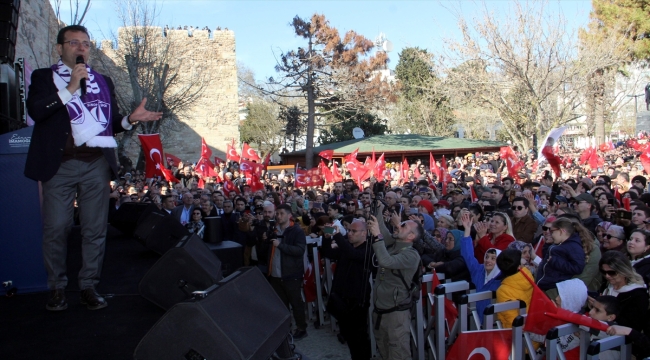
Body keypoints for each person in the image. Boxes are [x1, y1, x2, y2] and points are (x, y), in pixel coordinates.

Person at [25, 25, 162, 311]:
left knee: (95, 229)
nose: (81, 48)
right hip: (58, 166)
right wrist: (71, 88)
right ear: (60, 48)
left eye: (86, 44)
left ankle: (88, 285)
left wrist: (129, 120)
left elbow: (107, 126)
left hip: (95, 165)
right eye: (74, 42)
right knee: (57, 228)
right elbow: (37, 111)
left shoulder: (103, 81)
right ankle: (57, 288)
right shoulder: (43, 78)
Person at [367, 215, 421, 360]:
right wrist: (378, 207)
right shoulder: (394, 244)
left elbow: (386, 261)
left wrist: (377, 236)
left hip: (396, 314)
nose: (398, 225)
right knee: (384, 349)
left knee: (398, 353)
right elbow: (384, 232)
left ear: (411, 236)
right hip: (380, 311)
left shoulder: (411, 255)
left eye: (403, 226)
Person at [320, 219, 376, 360]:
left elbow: (352, 254)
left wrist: (338, 236)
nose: (350, 234)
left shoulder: (369, 249)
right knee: (349, 337)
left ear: (364, 233)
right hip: (341, 298)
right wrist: (326, 238)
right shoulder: (346, 247)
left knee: (359, 337)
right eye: (349, 230)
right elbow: (328, 253)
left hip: (357, 300)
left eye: (353, 231)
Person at [265, 204, 308, 339]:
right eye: (277, 213)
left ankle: (301, 328)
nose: (278, 216)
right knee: (281, 304)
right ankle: (285, 328)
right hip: (276, 274)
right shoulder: (274, 230)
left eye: (281, 213)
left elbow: (299, 250)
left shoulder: (296, 231)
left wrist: (281, 245)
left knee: (296, 303)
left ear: (289, 215)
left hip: (291, 274)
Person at [589, 251, 648, 333]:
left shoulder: (638, 294)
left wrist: (606, 310)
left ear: (623, 271)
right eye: (604, 272)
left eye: (612, 273)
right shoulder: (608, 285)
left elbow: (634, 326)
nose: (607, 276)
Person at [460, 212, 502, 325]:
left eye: (493, 258)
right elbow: (467, 254)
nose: (488, 260)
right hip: (473, 321)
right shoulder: (478, 270)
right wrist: (467, 230)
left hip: (492, 325)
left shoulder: (503, 279)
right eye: (487, 257)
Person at [535, 217, 586, 293]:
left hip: (554, 287)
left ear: (561, 231)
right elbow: (547, 257)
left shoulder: (573, 246)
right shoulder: (560, 244)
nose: (551, 234)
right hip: (545, 284)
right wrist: (547, 245)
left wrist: (555, 261)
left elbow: (578, 267)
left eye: (552, 231)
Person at [495, 249, 533, 328]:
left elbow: (511, 323)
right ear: (519, 266)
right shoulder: (529, 277)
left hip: (518, 338)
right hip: (533, 333)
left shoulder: (503, 291)